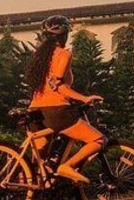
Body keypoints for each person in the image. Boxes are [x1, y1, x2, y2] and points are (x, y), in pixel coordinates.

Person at [25, 15, 106, 185]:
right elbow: (58, 86)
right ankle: (67, 166)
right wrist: (85, 98)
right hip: (56, 111)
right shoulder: (63, 54)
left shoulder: (38, 57)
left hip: (34, 112)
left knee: (38, 170)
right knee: (98, 140)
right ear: (65, 34)